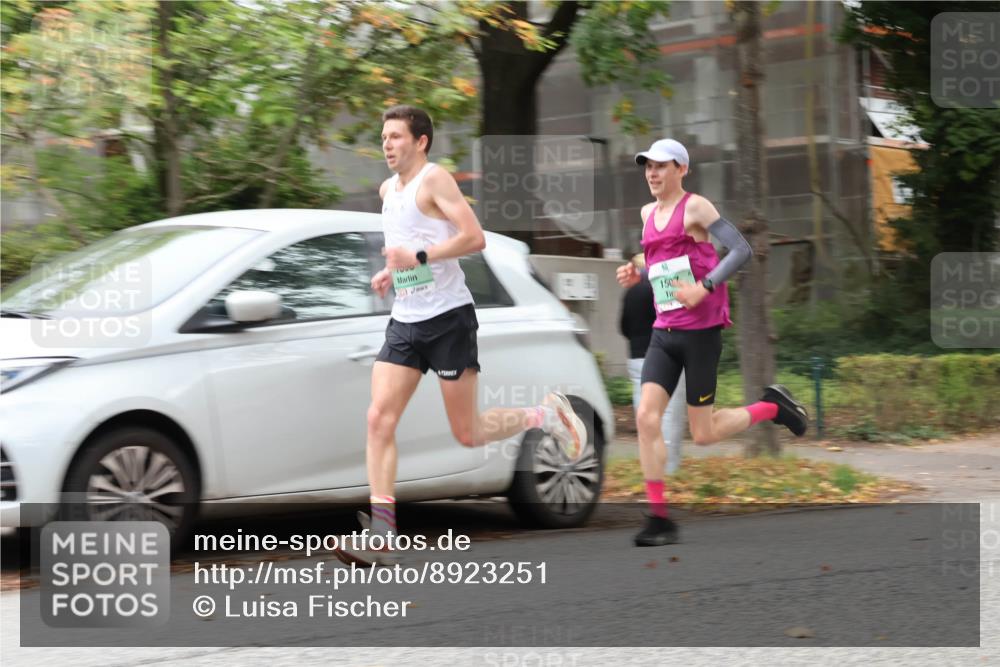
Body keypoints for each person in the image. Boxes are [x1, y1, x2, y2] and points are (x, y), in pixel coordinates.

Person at [335, 105, 587, 567]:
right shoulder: (387, 190)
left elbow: (474, 238)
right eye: (384, 136)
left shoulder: (435, 180)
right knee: (378, 420)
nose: (387, 144)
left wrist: (421, 255)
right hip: (406, 321)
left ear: (420, 141)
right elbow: (406, 251)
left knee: (467, 432)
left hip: (449, 319)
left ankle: (546, 414)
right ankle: (382, 534)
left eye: (395, 136)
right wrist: (390, 273)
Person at [616, 138, 809, 547]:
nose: (652, 173)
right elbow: (658, 261)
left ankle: (773, 406)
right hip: (663, 333)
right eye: (647, 166)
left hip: (700, 334)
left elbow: (740, 249)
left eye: (661, 166)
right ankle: (659, 519)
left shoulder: (697, 208)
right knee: (646, 419)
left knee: (703, 434)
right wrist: (638, 275)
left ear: (681, 169)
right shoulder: (647, 213)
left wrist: (705, 287)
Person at [619, 253, 687, 475]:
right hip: (664, 355)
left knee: (644, 411)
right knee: (669, 413)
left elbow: (623, 327)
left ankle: (649, 466)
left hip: (636, 357)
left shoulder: (630, 292)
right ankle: (669, 468)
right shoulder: (662, 287)